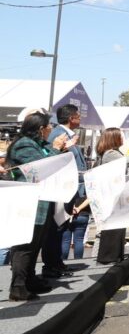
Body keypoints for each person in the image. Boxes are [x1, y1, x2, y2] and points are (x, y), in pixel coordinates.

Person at [6, 110, 69, 301]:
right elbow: (42, 167)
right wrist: (56, 148)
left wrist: (59, 149)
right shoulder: (24, 144)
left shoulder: (38, 144)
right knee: (25, 245)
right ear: (41, 129)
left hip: (41, 201)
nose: (51, 129)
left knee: (36, 244)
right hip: (27, 203)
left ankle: (30, 279)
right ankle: (18, 287)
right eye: (49, 126)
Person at [95, 128, 129, 265]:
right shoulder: (111, 154)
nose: (123, 139)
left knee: (118, 225)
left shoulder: (112, 152)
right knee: (114, 227)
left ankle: (115, 255)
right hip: (113, 195)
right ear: (113, 138)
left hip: (115, 193)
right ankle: (110, 256)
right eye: (120, 136)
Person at [45, 105, 85, 276]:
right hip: (60, 189)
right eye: (78, 116)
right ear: (71, 118)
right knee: (56, 228)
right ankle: (51, 265)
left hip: (69, 189)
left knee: (62, 227)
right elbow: (52, 159)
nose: (80, 119)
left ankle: (57, 263)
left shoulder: (69, 135)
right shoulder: (58, 135)